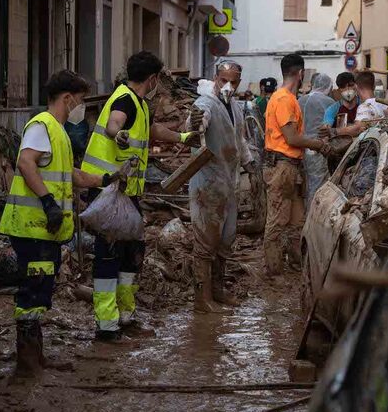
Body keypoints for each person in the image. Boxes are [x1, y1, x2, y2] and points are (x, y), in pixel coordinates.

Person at [0, 70, 126, 375]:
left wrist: (107, 178)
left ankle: (35, 357)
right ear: (68, 99)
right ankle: (28, 363)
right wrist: (48, 203)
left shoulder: (58, 132)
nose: (81, 108)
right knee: (32, 290)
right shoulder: (42, 126)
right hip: (32, 227)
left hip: (44, 229)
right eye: (81, 101)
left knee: (41, 289)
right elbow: (25, 162)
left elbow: (73, 175)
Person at [81, 51, 198, 341]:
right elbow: (114, 124)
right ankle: (107, 326)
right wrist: (116, 134)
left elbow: (151, 130)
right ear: (153, 78)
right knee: (109, 257)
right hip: (106, 190)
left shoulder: (139, 104)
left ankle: (125, 317)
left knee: (131, 254)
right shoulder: (124, 100)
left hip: (124, 192)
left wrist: (183, 137)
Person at [187, 61, 255, 313]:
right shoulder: (206, 102)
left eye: (233, 81)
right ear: (215, 77)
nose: (228, 85)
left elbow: (240, 139)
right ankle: (201, 298)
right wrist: (195, 124)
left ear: (239, 82)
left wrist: (249, 162)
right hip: (208, 182)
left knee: (225, 239)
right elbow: (197, 124)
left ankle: (217, 288)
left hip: (228, 182)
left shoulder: (234, 106)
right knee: (206, 241)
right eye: (223, 79)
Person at [263, 54, 331, 277]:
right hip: (282, 167)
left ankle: (294, 265)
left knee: (297, 221)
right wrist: (318, 144)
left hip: (290, 166)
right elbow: (291, 138)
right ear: (300, 74)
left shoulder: (287, 98)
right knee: (276, 222)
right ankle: (273, 272)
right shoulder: (283, 99)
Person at [298, 73, 336, 207]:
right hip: (319, 148)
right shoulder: (329, 102)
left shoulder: (301, 100)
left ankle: (308, 213)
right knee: (318, 185)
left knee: (308, 183)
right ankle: (312, 216)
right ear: (328, 86)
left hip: (302, 146)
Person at [322, 71, 388, 138]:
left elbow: (357, 129)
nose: (347, 89)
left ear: (355, 86)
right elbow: (325, 129)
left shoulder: (364, 105)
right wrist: (326, 129)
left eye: (350, 85)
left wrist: (335, 131)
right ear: (339, 90)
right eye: (343, 87)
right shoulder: (332, 109)